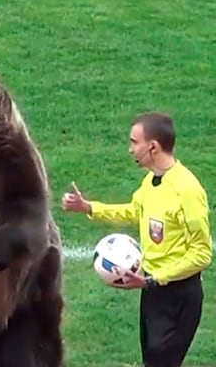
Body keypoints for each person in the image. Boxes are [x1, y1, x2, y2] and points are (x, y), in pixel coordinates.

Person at [62, 111, 212, 367]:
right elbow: (133, 211)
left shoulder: (187, 190)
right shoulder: (151, 182)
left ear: (153, 146)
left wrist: (155, 279)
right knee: (153, 361)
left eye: (134, 142)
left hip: (178, 295)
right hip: (152, 291)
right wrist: (89, 208)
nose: (130, 149)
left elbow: (202, 252)